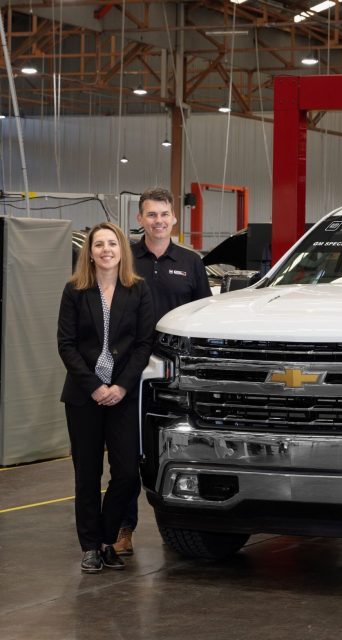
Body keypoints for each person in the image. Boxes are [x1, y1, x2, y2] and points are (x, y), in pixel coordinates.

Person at [114, 187, 212, 556]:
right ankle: (123, 529)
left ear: (174, 219)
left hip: (175, 379)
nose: (158, 221)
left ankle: (184, 525)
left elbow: (204, 319)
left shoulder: (190, 262)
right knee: (126, 454)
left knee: (174, 450)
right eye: (150, 215)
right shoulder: (125, 260)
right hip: (129, 373)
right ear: (140, 219)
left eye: (163, 215)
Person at [57, 222, 155, 573]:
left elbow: (145, 344)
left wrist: (121, 387)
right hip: (84, 396)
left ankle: (106, 536)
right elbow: (66, 345)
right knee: (87, 474)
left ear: (121, 250)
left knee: (127, 473)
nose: (105, 250)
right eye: (98, 244)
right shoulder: (75, 290)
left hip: (123, 395)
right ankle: (90, 547)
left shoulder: (138, 290)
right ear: (90, 252)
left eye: (112, 243)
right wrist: (95, 386)